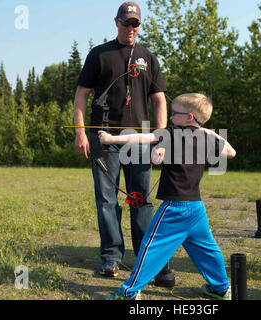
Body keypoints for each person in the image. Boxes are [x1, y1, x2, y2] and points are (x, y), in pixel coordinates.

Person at [73, 1, 175, 286]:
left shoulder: (149, 58)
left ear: (139, 25)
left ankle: (146, 255)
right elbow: (82, 93)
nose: (131, 28)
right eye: (126, 22)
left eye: (135, 24)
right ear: (115, 22)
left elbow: (159, 99)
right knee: (106, 199)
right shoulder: (99, 55)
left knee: (140, 199)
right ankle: (111, 256)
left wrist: (161, 135)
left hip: (140, 139)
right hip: (104, 137)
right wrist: (81, 132)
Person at [98, 93, 236, 300]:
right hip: (196, 208)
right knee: (206, 249)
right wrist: (208, 131)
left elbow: (141, 137)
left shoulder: (172, 133)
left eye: (174, 113)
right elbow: (231, 152)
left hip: (175, 208)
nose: (170, 117)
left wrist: (111, 138)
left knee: (150, 247)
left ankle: (129, 292)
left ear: (190, 117)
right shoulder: (205, 136)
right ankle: (221, 288)